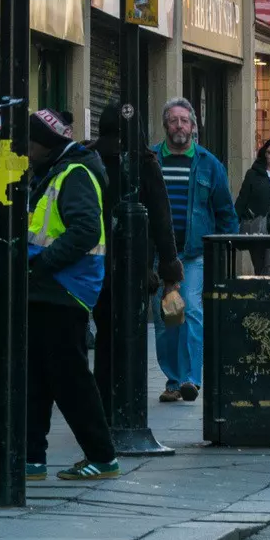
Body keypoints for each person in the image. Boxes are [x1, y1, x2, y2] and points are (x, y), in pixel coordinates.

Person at [24, 109, 121, 481]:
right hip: (46, 289)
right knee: (36, 379)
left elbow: (84, 230)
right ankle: (31, 458)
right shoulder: (51, 172)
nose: (24, 150)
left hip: (65, 290)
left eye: (28, 144)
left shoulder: (75, 174)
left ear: (44, 144)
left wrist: (42, 263)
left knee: (70, 380)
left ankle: (102, 455)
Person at [89, 100, 180, 408]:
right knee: (131, 333)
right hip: (134, 266)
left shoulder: (89, 158)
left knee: (104, 332)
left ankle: (103, 395)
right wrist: (170, 269)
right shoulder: (144, 162)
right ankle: (127, 398)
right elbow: (161, 218)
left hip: (96, 264)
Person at [153, 98, 237, 404]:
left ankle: (191, 378)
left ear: (193, 126)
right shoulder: (150, 160)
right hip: (158, 256)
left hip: (193, 254)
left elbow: (226, 212)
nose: (179, 126)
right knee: (165, 318)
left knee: (189, 311)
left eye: (184, 121)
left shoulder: (208, 163)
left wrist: (226, 250)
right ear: (165, 125)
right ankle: (173, 380)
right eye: (173, 120)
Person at [236, 138, 270, 273]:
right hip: (256, 229)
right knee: (259, 269)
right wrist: (235, 221)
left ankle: (268, 293)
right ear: (264, 153)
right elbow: (242, 199)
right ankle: (261, 293)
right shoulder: (252, 174)